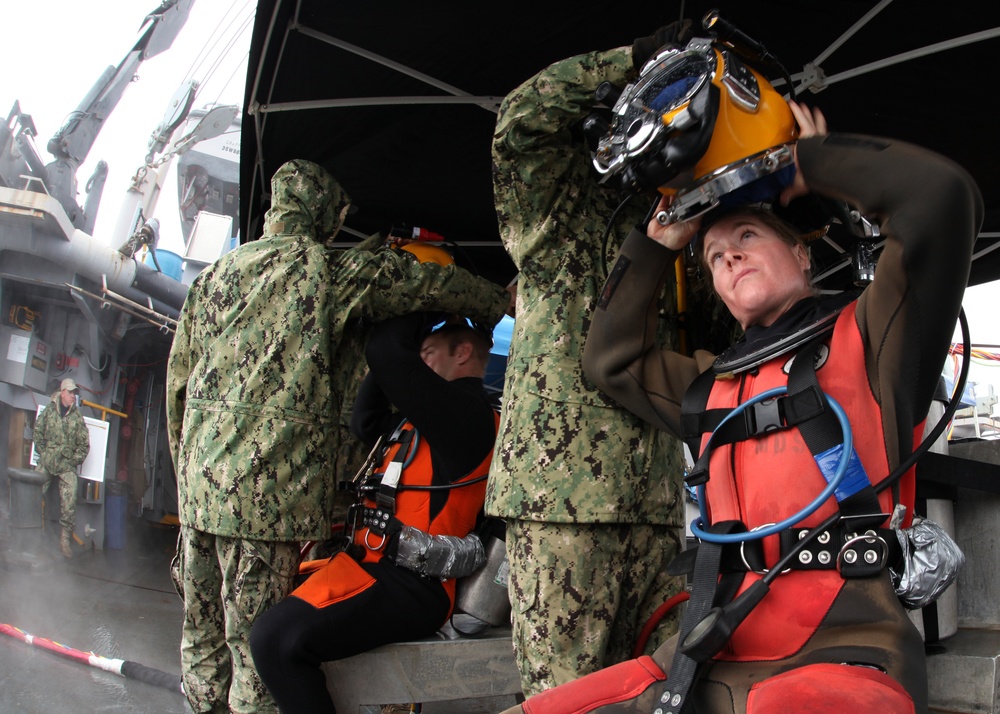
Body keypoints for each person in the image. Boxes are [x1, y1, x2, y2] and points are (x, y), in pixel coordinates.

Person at [505, 100, 983, 713]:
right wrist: (656, 245)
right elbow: (609, 362)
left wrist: (805, 165)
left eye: (747, 237)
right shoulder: (709, 386)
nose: (727, 257)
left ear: (802, 254)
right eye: (712, 257)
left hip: (846, 653)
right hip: (705, 655)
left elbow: (942, 199)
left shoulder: (873, 339)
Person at [165, 159, 512, 714]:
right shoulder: (324, 274)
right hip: (319, 537)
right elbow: (369, 403)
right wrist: (438, 301)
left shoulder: (215, 278)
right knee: (259, 647)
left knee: (232, 644)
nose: (421, 360)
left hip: (395, 577)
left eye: (434, 349)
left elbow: (178, 389)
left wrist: (186, 475)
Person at [484, 26, 693, 697]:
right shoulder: (558, 212)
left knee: (659, 691)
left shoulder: (682, 226)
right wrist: (632, 60)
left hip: (654, 505)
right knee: (564, 698)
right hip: (561, 503)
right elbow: (519, 122)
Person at [249, 313, 498, 712]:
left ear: (464, 353)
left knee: (276, 640)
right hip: (369, 564)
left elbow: (386, 352)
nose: (418, 365)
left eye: (428, 354)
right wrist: (404, 359)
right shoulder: (421, 423)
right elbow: (365, 420)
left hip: (414, 585)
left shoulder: (468, 418)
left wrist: (431, 303)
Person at [33, 377, 89, 559]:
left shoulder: (77, 417)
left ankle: (64, 540)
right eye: (70, 392)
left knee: (70, 501)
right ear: (62, 392)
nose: (73, 396)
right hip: (48, 462)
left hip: (66, 465)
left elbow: (84, 445)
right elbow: (38, 432)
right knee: (33, 492)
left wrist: (73, 460)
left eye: (74, 393)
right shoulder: (49, 411)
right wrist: (45, 453)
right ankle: (33, 535)